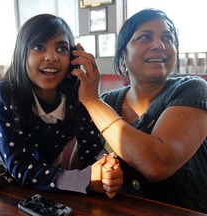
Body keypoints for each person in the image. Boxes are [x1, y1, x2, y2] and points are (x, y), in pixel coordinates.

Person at [71, 9, 207, 213]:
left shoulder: (191, 90)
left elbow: (157, 164)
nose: (159, 45)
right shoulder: (108, 101)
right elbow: (75, 168)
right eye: (145, 37)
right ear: (123, 58)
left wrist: (91, 101)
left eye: (167, 38)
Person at [0, 14, 123, 198]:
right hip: (6, 183)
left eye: (61, 48)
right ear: (21, 54)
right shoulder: (6, 93)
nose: (51, 57)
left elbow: (90, 149)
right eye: (38, 47)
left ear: (74, 57)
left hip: (52, 181)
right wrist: (82, 179)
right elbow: (19, 165)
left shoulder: (77, 95)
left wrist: (106, 167)